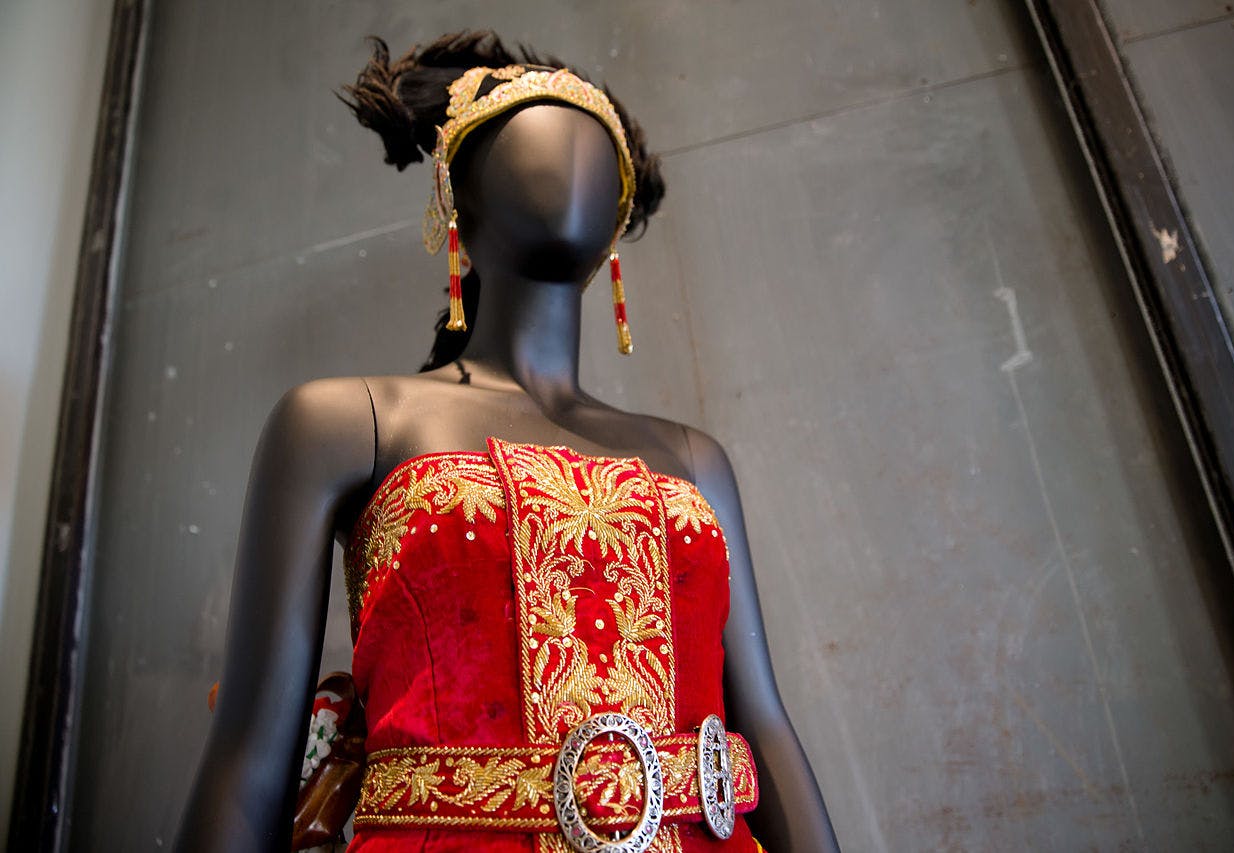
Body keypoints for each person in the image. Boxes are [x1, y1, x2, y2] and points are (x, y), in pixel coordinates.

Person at [176, 31, 838, 853]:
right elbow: (248, 760)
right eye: (530, 132)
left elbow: (766, 723)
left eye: (589, 139)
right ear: (456, 208)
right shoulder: (349, 423)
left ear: (615, 234)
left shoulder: (695, 458)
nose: (565, 156)